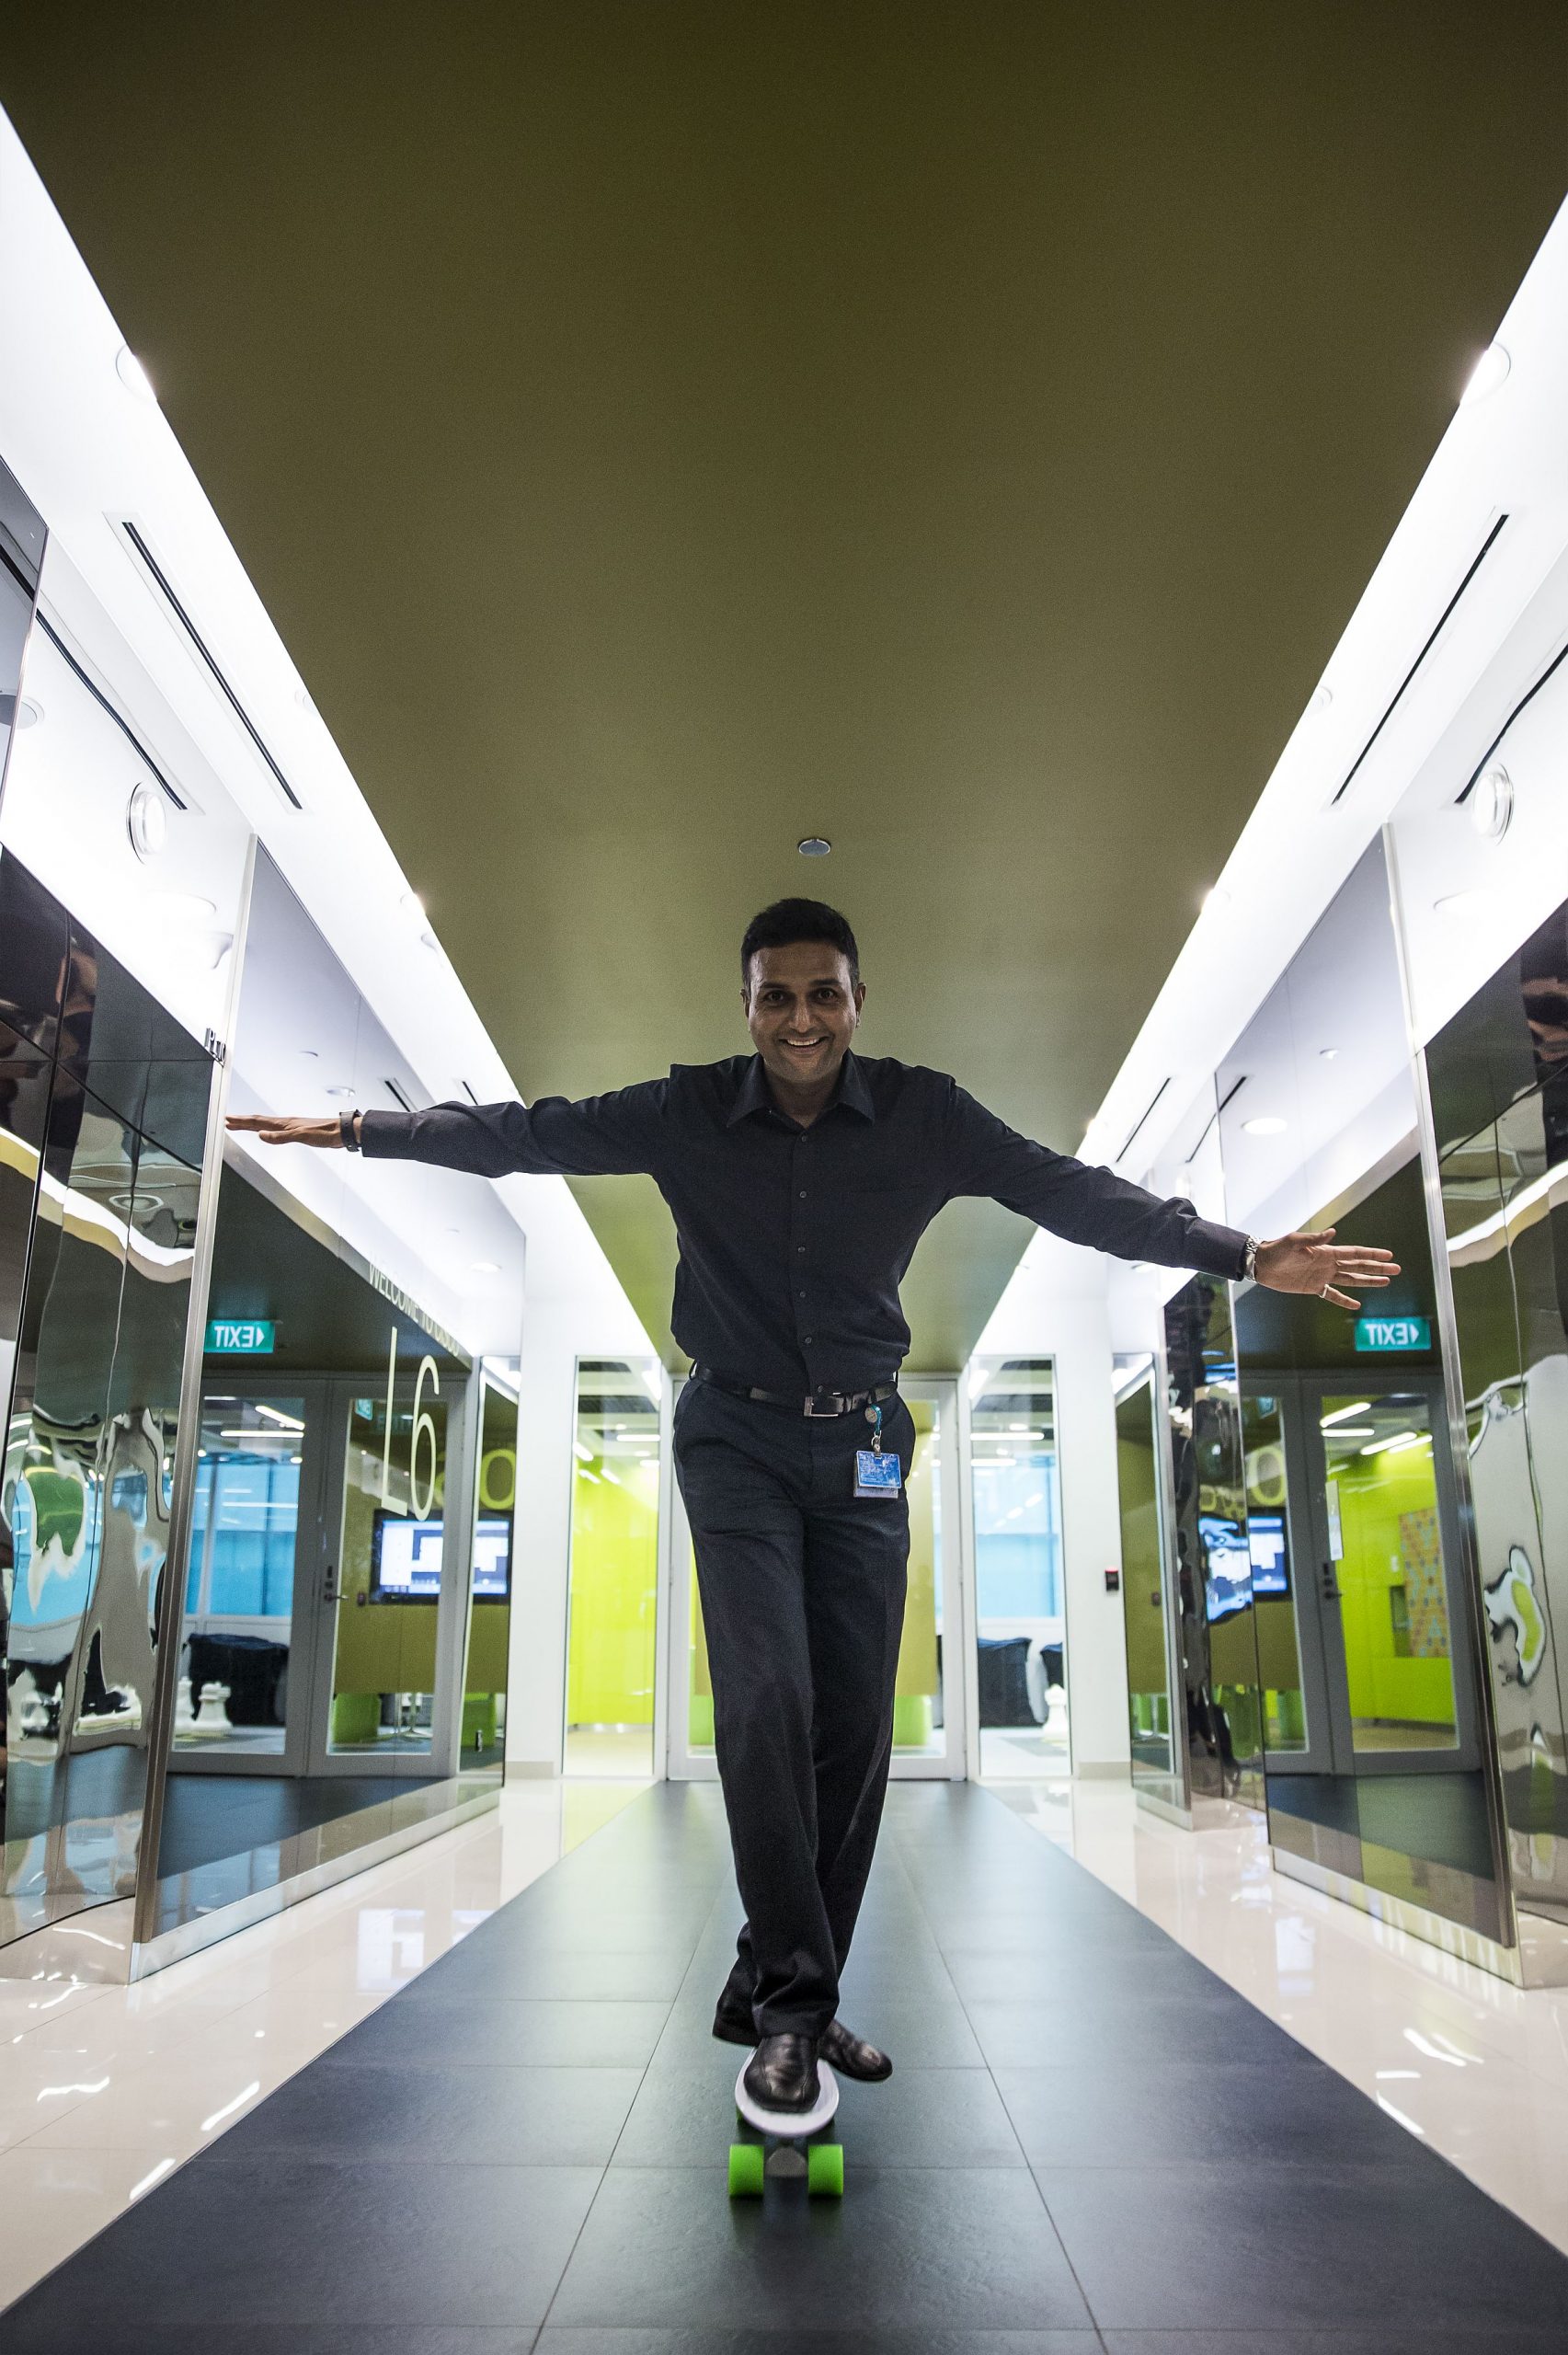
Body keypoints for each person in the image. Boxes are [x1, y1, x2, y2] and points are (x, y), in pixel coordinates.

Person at [229, 896, 1398, 2118]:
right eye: (776, 997)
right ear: (744, 1006)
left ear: (856, 999)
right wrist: (363, 1128)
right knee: (765, 1699)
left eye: (822, 993)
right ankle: (797, 2014)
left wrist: (1239, 1252)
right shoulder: (687, 1110)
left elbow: (1067, 1190)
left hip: (864, 1451)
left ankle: (772, 1981)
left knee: (851, 1725)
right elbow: (529, 1133)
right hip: (731, 1437)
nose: (801, 1019)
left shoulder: (924, 1115)